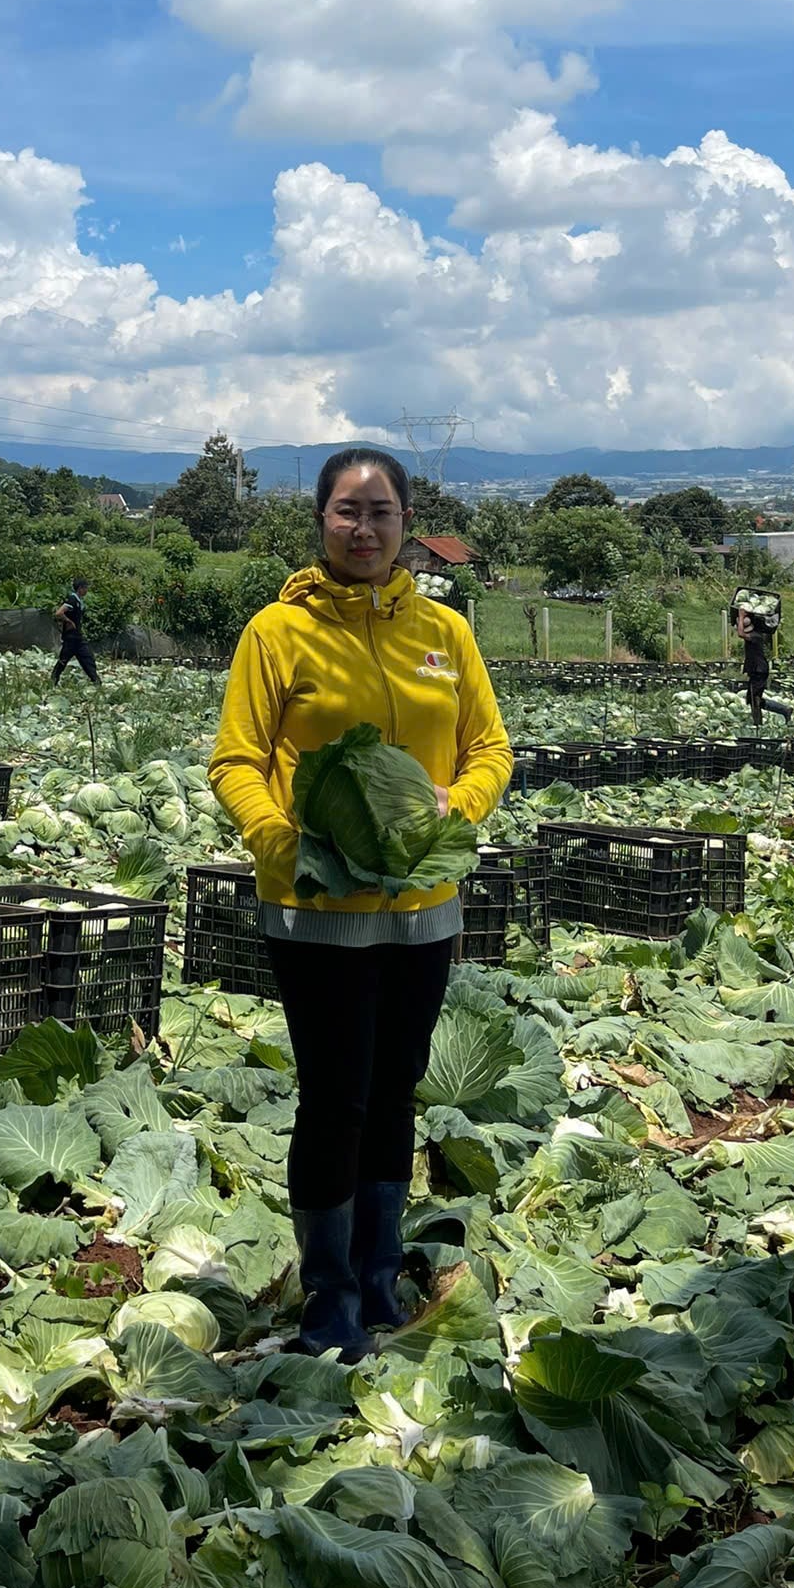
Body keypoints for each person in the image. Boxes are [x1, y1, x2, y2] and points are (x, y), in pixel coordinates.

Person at [210, 446, 512, 1360]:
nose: (365, 528)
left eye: (382, 511)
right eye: (348, 510)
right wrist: (288, 847)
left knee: (393, 1094)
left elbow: (488, 748)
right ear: (322, 521)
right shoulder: (278, 631)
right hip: (318, 912)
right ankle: (328, 1296)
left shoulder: (445, 633)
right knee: (335, 1098)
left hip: (424, 907)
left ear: (405, 525)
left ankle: (381, 1275)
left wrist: (450, 811)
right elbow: (237, 761)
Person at [734, 595, 792, 732]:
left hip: (759, 670)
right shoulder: (754, 635)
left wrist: (741, 616)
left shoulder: (755, 636)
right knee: (752, 699)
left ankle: (758, 725)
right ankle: (783, 710)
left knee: (755, 699)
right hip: (756, 670)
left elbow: (741, 633)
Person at [51, 578, 99, 686]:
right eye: (85, 588)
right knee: (63, 660)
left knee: (87, 658)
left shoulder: (79, 601)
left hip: (77, 637)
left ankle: (96, 681)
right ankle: (53, 679)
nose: (87, 590)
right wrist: (69, 621)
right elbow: (59, 613)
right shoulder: (72, 600)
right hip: (71, 638)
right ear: (80, 588)